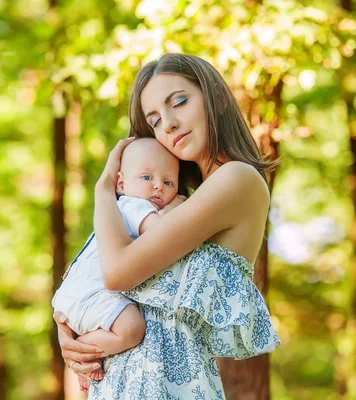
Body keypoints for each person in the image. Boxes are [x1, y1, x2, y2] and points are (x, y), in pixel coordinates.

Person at [53, 53, 281, 399]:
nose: (169, 124)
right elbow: (99, 275)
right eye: (155, 120)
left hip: (172, 384)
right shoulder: (176, 203)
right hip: (123, 380)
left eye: (179, 102)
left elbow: (117, 273)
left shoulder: (237, 178)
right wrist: (68, 331)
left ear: (217, 98)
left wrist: (103, 190)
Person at [52, 138, 186, 381]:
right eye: (147, 178)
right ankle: (84, 351)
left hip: (77, 292)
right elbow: (162, 231)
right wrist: (176, 206)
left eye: (168, 182)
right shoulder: (133, 206)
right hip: (93, 293)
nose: (158, 187)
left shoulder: (118, 210)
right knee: (132, 329)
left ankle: (86, 362)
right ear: (121, 183)